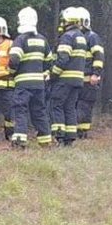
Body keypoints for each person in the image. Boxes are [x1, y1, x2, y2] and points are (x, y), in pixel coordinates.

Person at [8, 7, 53, 147]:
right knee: (39, 112)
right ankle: (45, 142)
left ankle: (19, 141)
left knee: (20, 111)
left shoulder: (20, 40)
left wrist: (11, 71)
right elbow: (49, 62)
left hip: (23, 84)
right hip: (39, 85)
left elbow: (14, 59)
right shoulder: (42, 40)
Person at [49, 8, 88, 145]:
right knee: (70, 108)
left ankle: (59, 136)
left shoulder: (67, 36)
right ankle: (70, 138)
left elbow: (63, 59)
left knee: (56, 105)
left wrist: (52, 74)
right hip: (77, 80)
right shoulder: (81, 37)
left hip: (64, 79)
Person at [75, 8, 105, 140]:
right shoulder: (74, 37)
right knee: (76, 106)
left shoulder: (92, 37)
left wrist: (96, 74)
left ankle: (83, 132)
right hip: (76, 80)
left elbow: (98, 56)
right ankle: (76, 130)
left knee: (85, 106)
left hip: (88, 79)